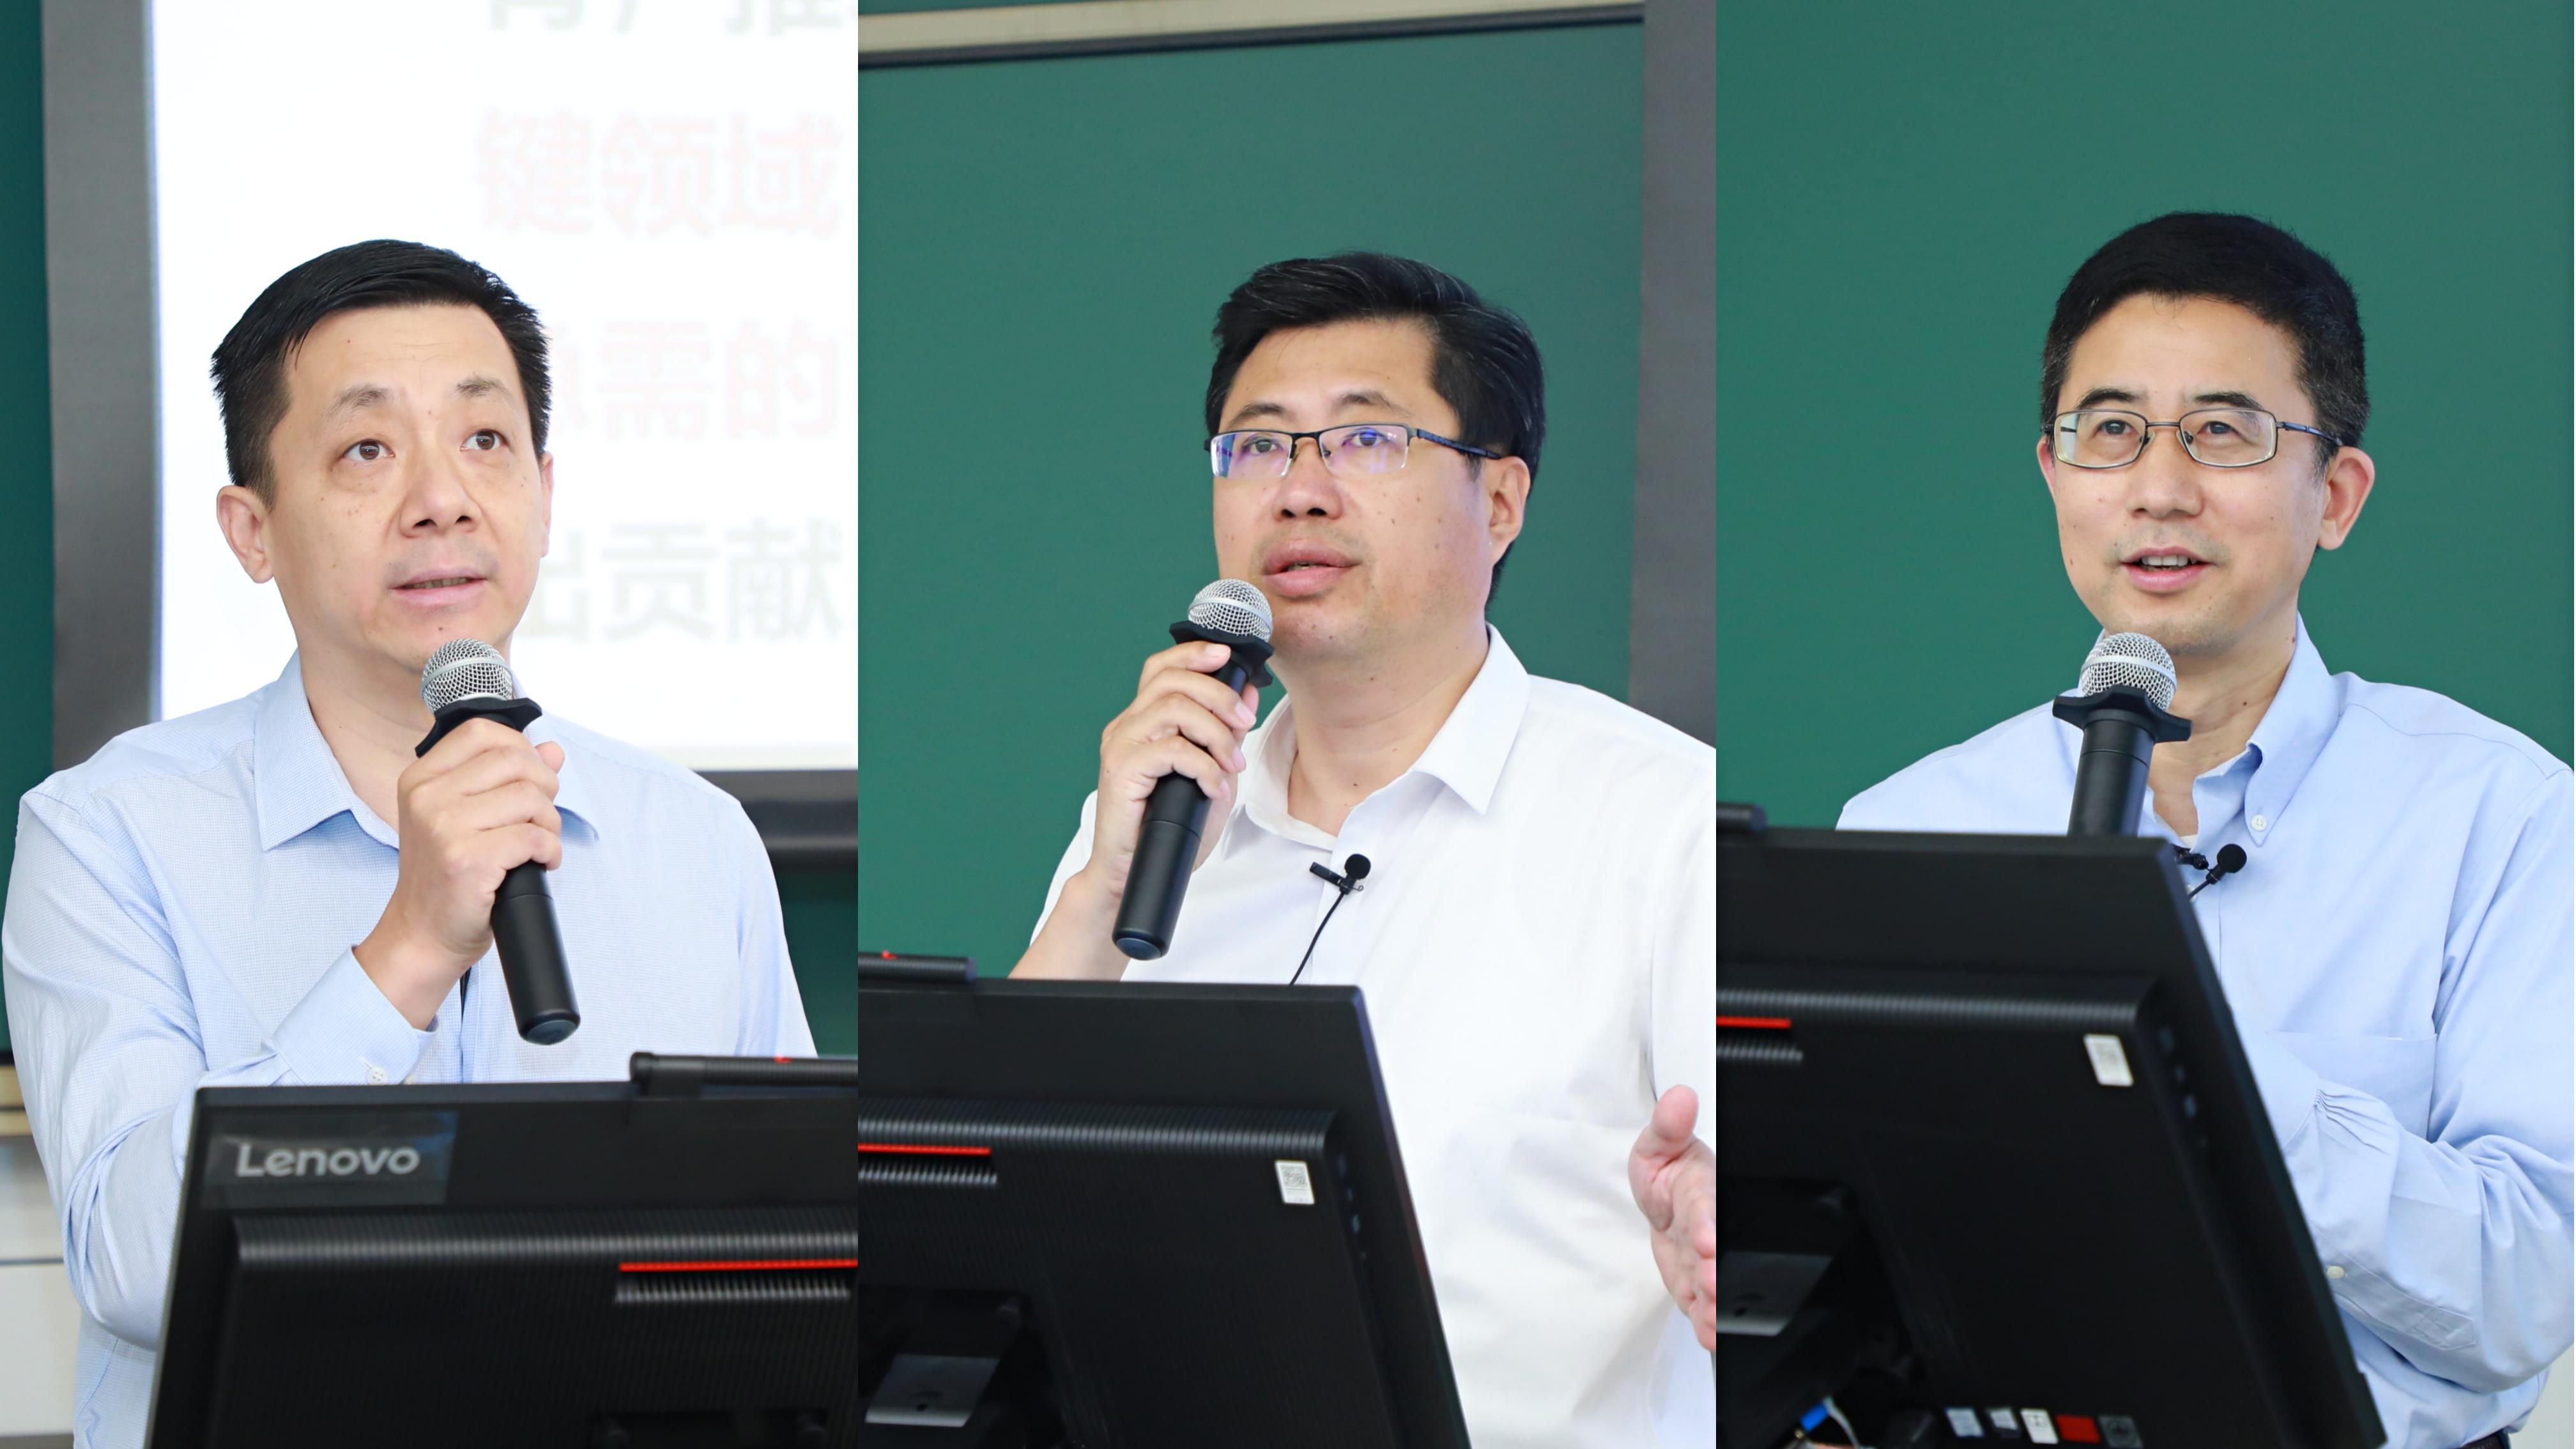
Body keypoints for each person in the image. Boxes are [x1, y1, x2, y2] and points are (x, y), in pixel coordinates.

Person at [0, 240, 813, 1448]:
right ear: (251, 530)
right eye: (367, 450)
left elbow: (795, 1260)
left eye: (485, 440)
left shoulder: (692, 837)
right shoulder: (107, 833)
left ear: (544, 491)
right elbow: (130, 1271)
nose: (443, 498)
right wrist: (408, 953)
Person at [1842, 212, 2571, 1449]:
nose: (2160, 488)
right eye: (2110, 432)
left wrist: (2199, 1063)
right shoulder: (1911, 827)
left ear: (2335, 495)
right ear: (2054, 475)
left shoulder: (2502, 816)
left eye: (2224, 433)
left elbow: (2526, 1291)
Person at [1010, 252, 1715, 1447]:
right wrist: (1101, 892)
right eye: (1257, 446)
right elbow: (988, 1188)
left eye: (1367, 440)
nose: (1299, 491)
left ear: (1501, 502)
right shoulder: (1155, 819)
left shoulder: (1661, 818)